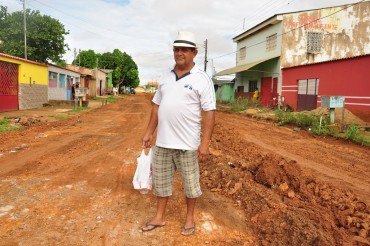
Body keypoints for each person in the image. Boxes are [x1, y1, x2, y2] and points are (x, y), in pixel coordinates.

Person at [141, 31, 216, 236]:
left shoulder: (202, 79)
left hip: (188, 145)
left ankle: (190, 219)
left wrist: (205, 143)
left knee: (191, 186)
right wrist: (149, 132)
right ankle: (159, 217)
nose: (179, 53)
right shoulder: (165, 77)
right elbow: (156, 106)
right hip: (163, 143)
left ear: (194, 53)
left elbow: (209, 112)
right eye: (176, 49)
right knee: (162, 183)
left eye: (184, 49)